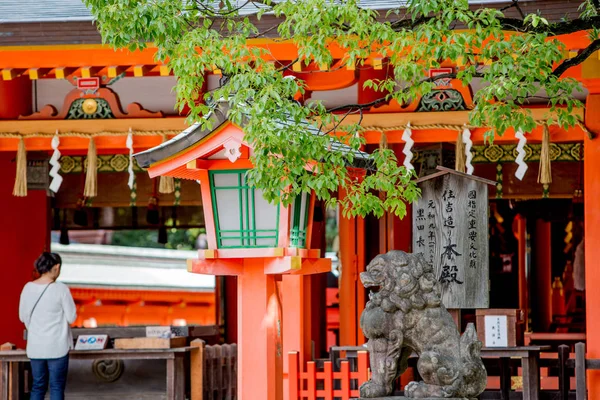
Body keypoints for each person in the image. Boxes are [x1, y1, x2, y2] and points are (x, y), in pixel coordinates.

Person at [19, 252, 77, 400]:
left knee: (38, 386)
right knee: (56, 386)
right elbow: (71, 317)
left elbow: (22, 317)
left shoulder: (28, 288)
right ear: (57, 267)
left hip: (36, 347)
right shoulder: (61, 289)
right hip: (57, 347)